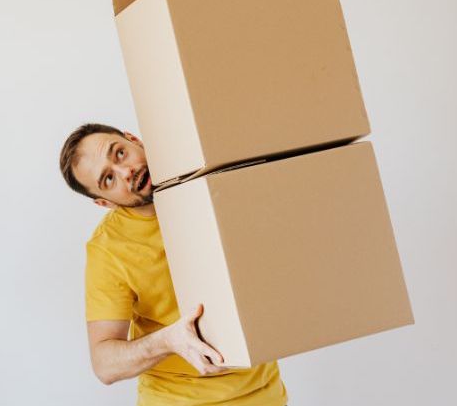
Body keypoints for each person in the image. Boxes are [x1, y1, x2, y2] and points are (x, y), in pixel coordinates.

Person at [58, 123, 287, 405]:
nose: (126, 172)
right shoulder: (108, 250)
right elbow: (104, 365)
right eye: (108, 179)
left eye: (119, 153)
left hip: (266, 394)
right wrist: (168, 341)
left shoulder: (211, 182)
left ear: (133, 139)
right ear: (105, 203)